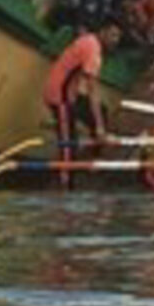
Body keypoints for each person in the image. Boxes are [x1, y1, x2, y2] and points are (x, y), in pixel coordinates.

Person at [43, 18, 122, 185]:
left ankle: (91, 158)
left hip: (70, 94)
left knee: (102, 112)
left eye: (117, 37)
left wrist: (99, 125)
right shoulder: (92, 49)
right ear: (103, 32)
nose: (115, 40)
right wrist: (100, 128)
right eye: (112, 35)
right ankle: (65, 184)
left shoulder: (89, 41)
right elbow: (92, 91)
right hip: (60, 97)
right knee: (68, 144)